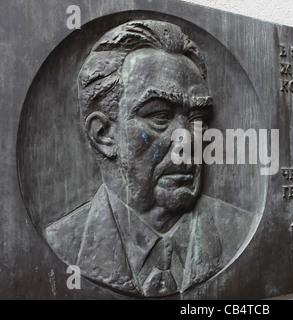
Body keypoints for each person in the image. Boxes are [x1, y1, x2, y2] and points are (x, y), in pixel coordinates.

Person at [45, 20, 250, 297]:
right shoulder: (61, 243)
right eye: (159, 116)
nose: (188, 141)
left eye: (197, 118)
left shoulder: (239, 230)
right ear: (104, 134)